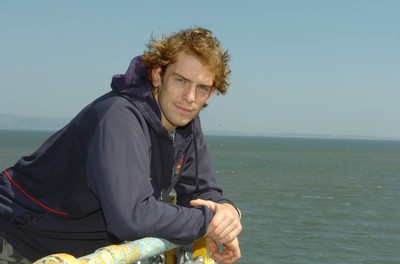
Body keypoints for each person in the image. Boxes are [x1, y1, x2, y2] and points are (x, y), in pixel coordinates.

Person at [0, 27, 242, 263]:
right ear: (158, 75)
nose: (190, 97)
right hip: (18, 237)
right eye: (181, 80)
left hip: (76, 250)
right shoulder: (120, 117)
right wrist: (207, 223)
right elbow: (130, 218)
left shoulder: (185, 121)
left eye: (202, 88)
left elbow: (201, 192)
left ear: (211, 93)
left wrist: (226, 212)